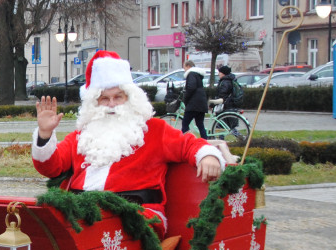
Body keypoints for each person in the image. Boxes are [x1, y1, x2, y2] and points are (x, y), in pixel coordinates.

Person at [33, 50, 225, 239]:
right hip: (84, 214)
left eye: (118, 97)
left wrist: (207, 155)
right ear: (95, 103)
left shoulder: (153, 130)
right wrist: (45, 134)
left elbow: (188, 145)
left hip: (139, 215)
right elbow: (51, 167)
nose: (112, 105)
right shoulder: (83, 135)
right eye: (104, 99)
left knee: (94, 229)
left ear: (130, 99)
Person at [180, 59, 208, 138]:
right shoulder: (198, 75)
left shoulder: (191, 74)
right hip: (201, 103)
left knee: (185, 123)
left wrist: (186, 98)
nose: (184, 70)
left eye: (184, 67)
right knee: (200, 124)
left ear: (188, 66)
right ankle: (204, 141)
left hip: (193, 104)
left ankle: (186, 141)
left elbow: (191, 87)